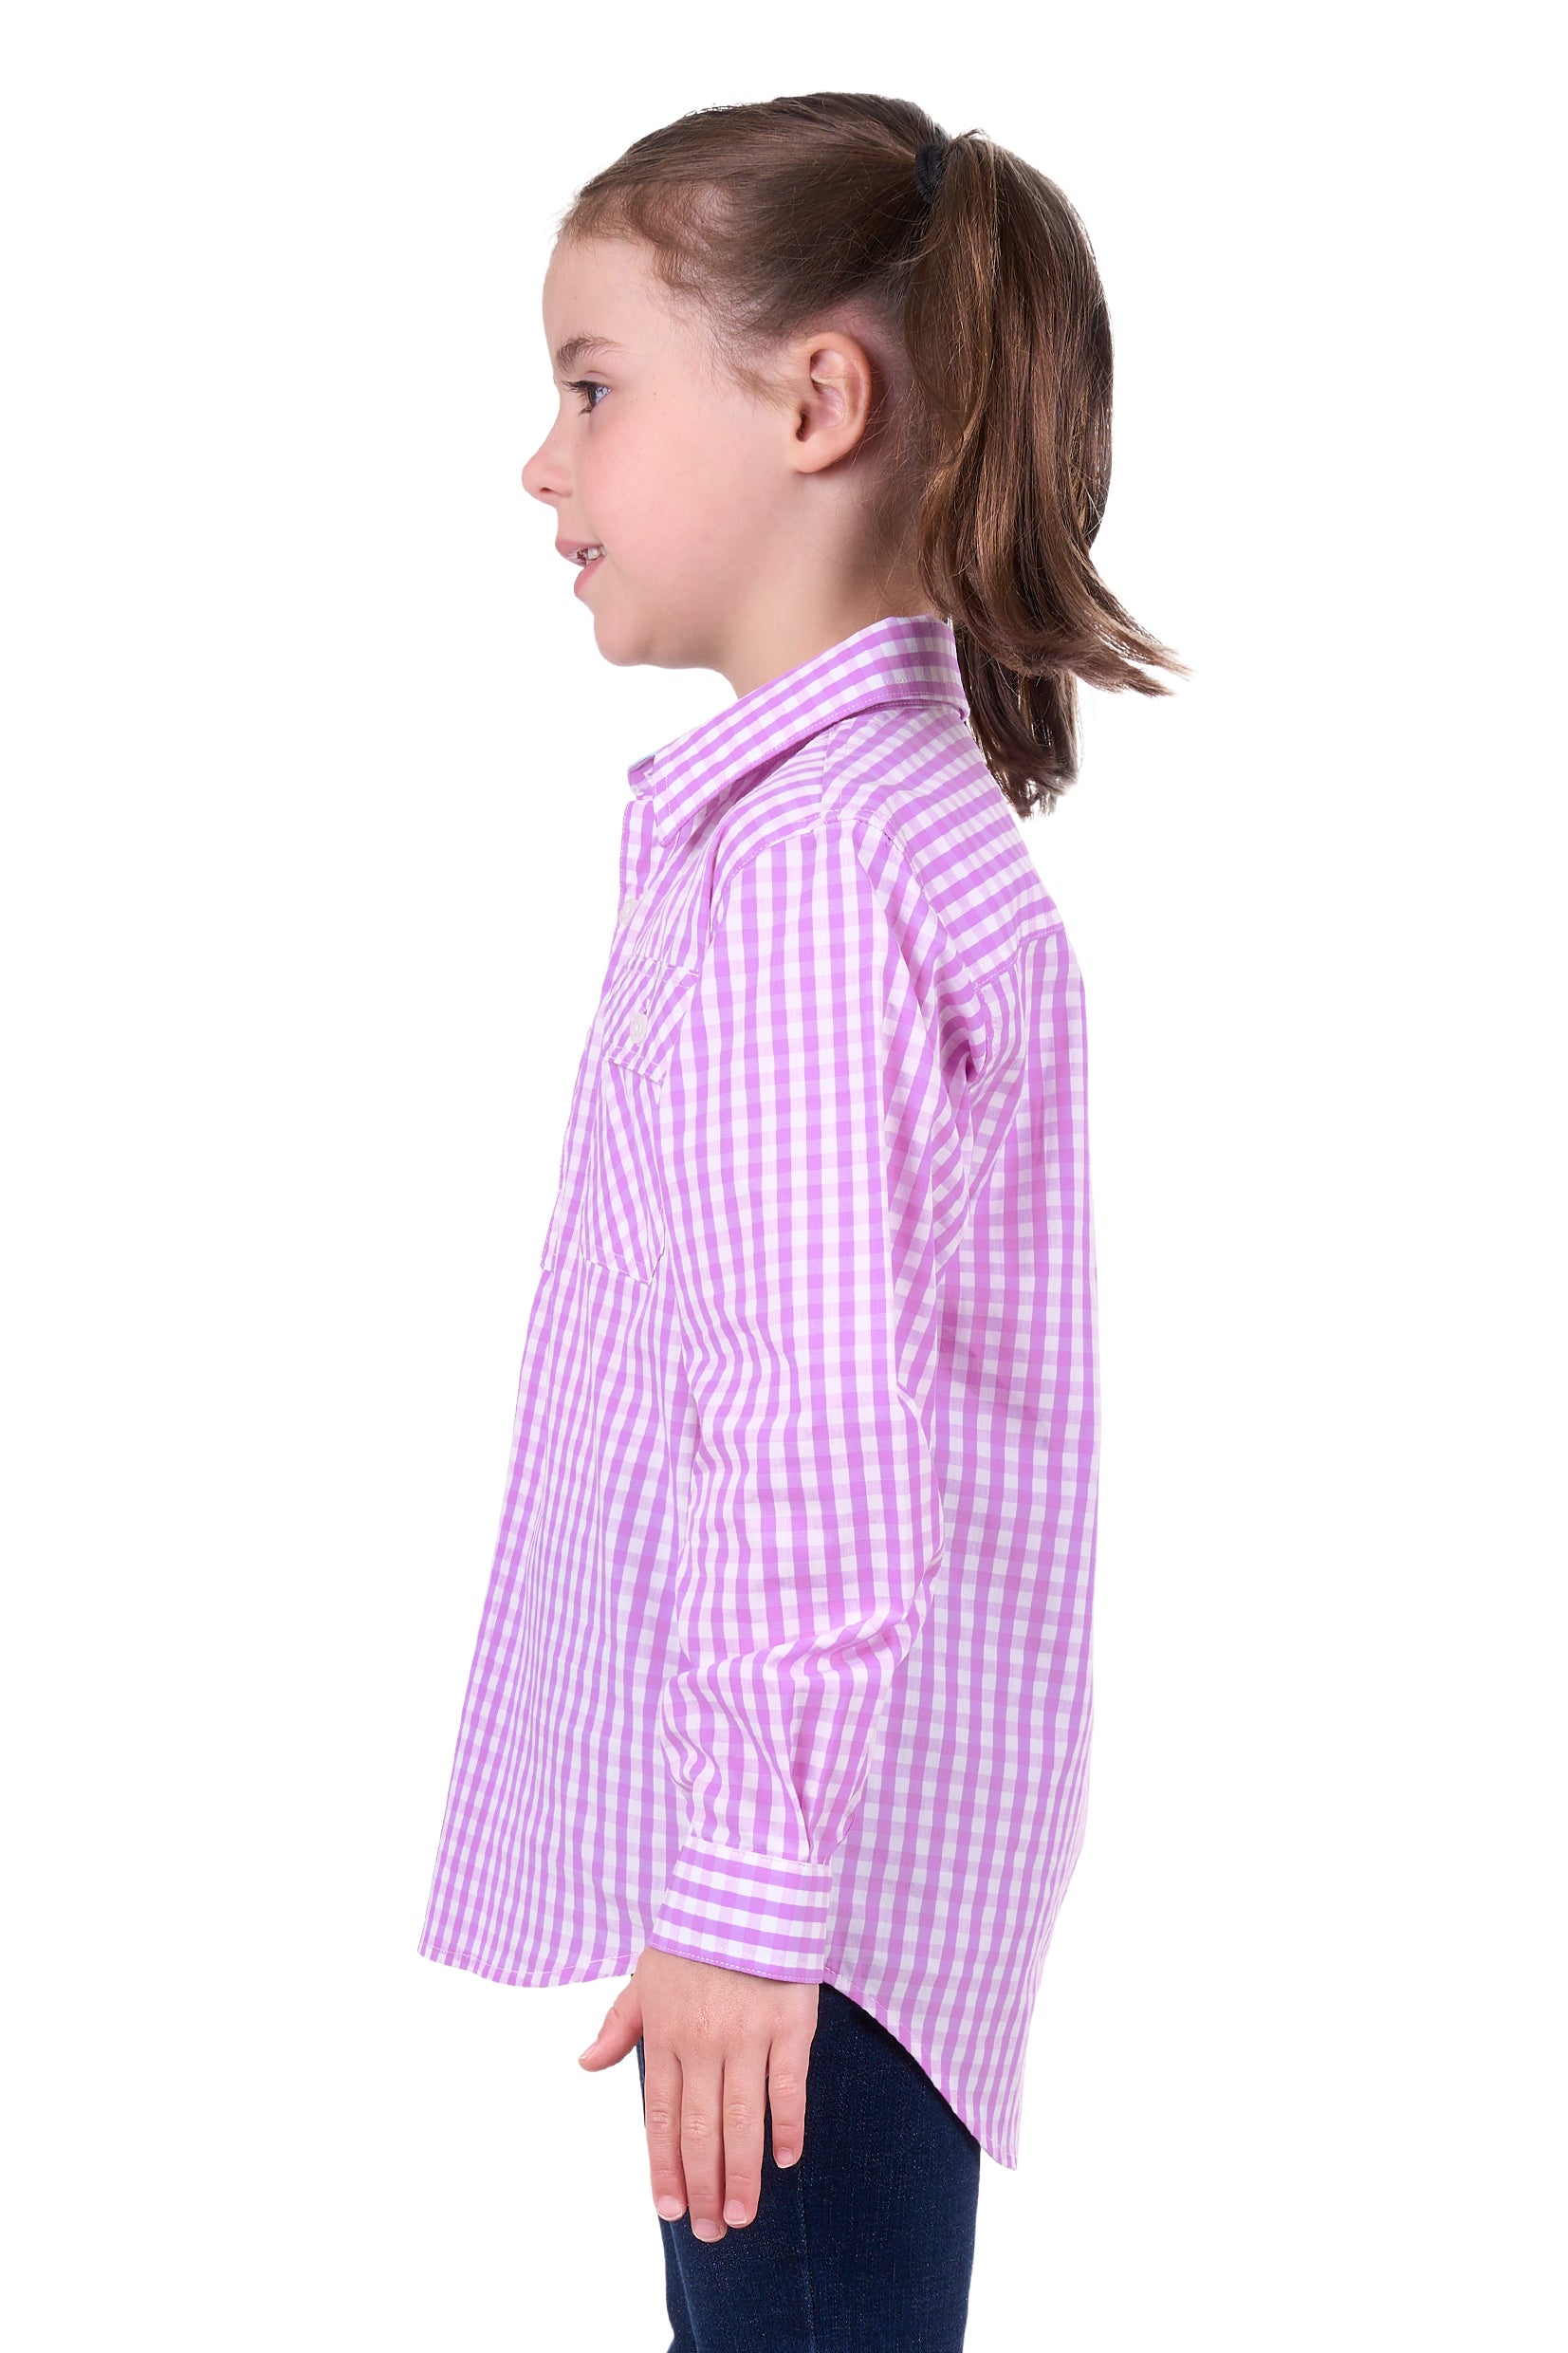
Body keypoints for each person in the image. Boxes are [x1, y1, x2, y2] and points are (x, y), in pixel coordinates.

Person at [416, 91, 1186, 2352]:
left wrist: (742, 1890)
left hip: (806, 1913)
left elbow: (812, 1428)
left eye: (588, 387)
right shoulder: (877, 821)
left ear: (815, 401)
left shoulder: (809, 884)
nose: (540, 464)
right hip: (839, 1891)